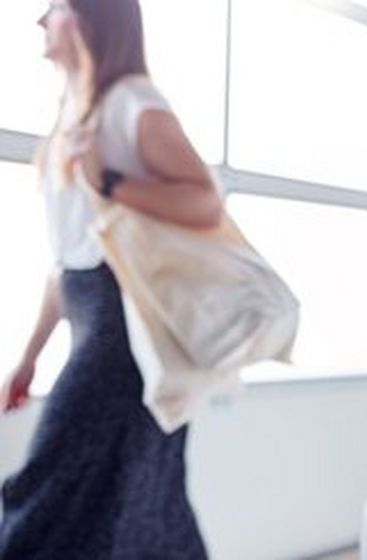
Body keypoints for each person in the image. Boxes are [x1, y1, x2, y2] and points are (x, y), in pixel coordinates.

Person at [0, 0, 223, 557]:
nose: (39, 20)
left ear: (88, 17)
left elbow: (205, 200)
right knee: (137, 500)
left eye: (52, 7)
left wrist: (110, 181)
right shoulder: (72, 119)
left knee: (56, 492)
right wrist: (30, 357)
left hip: (127, 340)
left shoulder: (132, 104)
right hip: (91, 322)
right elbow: (67, 262)